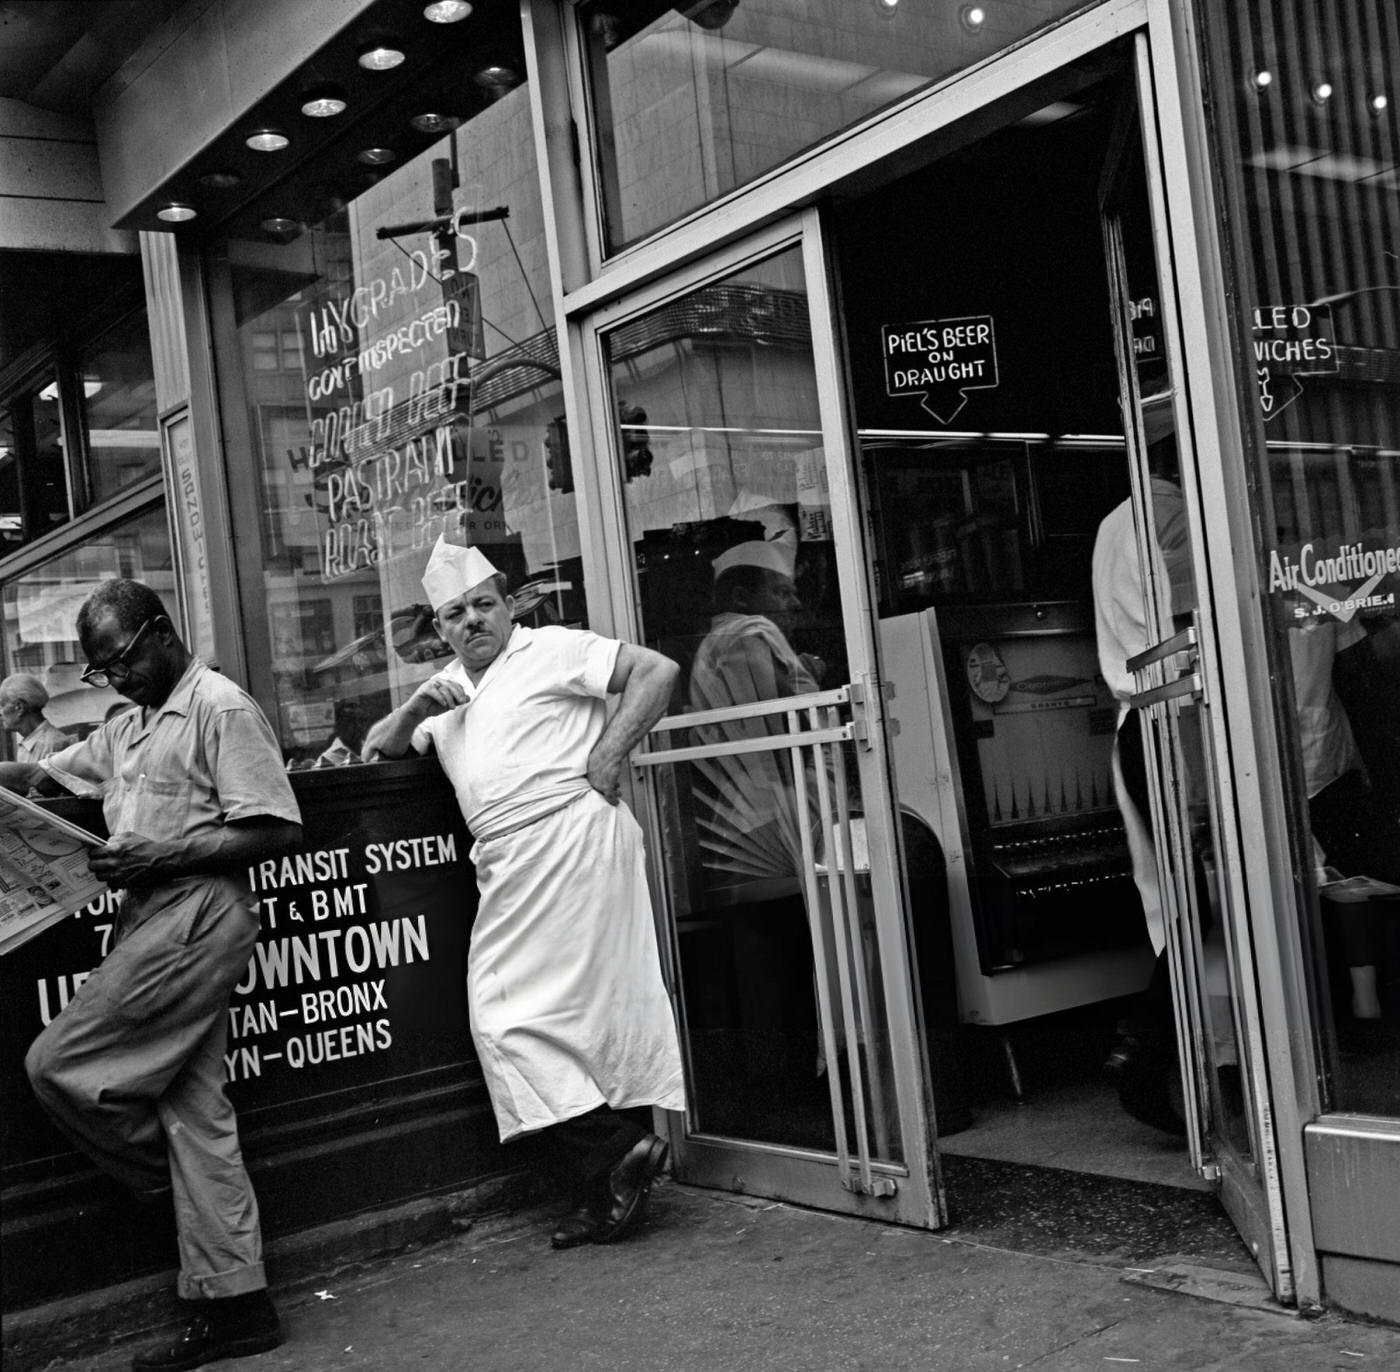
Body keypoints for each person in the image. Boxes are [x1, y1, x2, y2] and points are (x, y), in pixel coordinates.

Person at [0, 579, 302, 1372]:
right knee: (194, 1113)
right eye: (102, 671)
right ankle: (241, 1305)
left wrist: (160, 854)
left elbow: (273, 829)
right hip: (155, 917)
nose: (117, 680)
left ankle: (169, 1198)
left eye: (122, 662)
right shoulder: (129, 722)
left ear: (162, 634)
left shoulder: (221, 709)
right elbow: (46, 777)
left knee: (60, 1064)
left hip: (199, 910)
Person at [361, 536, 685, 1250]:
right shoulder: (445, 694)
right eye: (456, 613)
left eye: (484, 605)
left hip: (570, 840)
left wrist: (607, 754)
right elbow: (375, 754)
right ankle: (612, 1172)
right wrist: (415, 707)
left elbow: (657, 672)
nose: (473, 620)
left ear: (509, 607)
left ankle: (613, 1155)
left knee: (506, 1017)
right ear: (440, 628)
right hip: (508, 860)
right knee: (528, 1019)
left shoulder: (551, 649)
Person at [1092, 464, 1193, 1135]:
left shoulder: (1114, 520)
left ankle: (1170, 1056)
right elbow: (1190, 623)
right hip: (1180, 718)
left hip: (1137, 721)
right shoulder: (1178, 513)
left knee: (1175, 898)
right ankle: (1150, 1047)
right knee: (1207, 898)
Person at [687, 539, 825, 882]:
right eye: (781, 593)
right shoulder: (744, 635)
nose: (794, 604)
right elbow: (765, 738)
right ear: (741, 598)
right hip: (766, 821)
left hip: (753, 818)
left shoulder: (727, 639)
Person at [0, 672, 75, 765]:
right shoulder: (27, 744)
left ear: (19, 707)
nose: (0, 712)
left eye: (2, 705)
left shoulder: (54, 745)